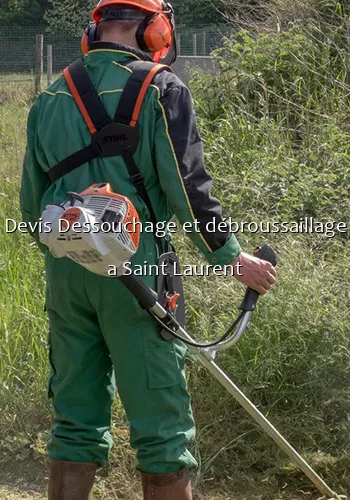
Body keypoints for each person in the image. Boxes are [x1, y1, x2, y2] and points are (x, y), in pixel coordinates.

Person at [20, 1, 276, 498]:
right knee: (161, 427)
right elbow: (187, 187)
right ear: (157, 30)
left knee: (74, 420)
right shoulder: (160, 87)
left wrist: (77, 247)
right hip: (138, 272)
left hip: (68, 274)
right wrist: (232, 257)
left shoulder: (50, 97)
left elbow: (33, 208)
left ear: (92, 31)